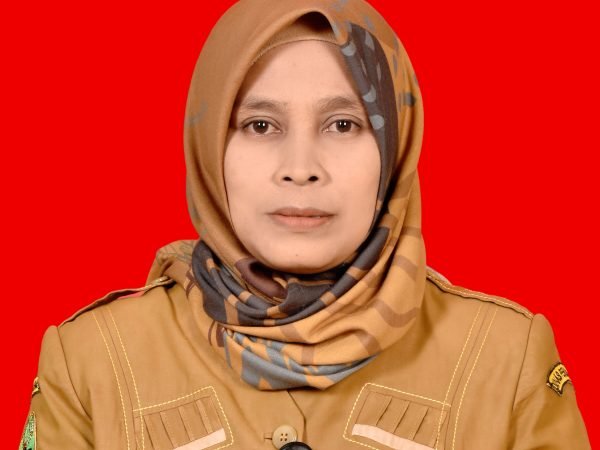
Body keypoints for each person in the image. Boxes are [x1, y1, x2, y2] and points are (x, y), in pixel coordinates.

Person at [20, 0, 591, 448]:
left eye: (343, 124)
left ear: (394, 150)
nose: (300, 168)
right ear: (208, 147)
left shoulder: (503, 357)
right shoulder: (93, 358)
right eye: (260, 125)